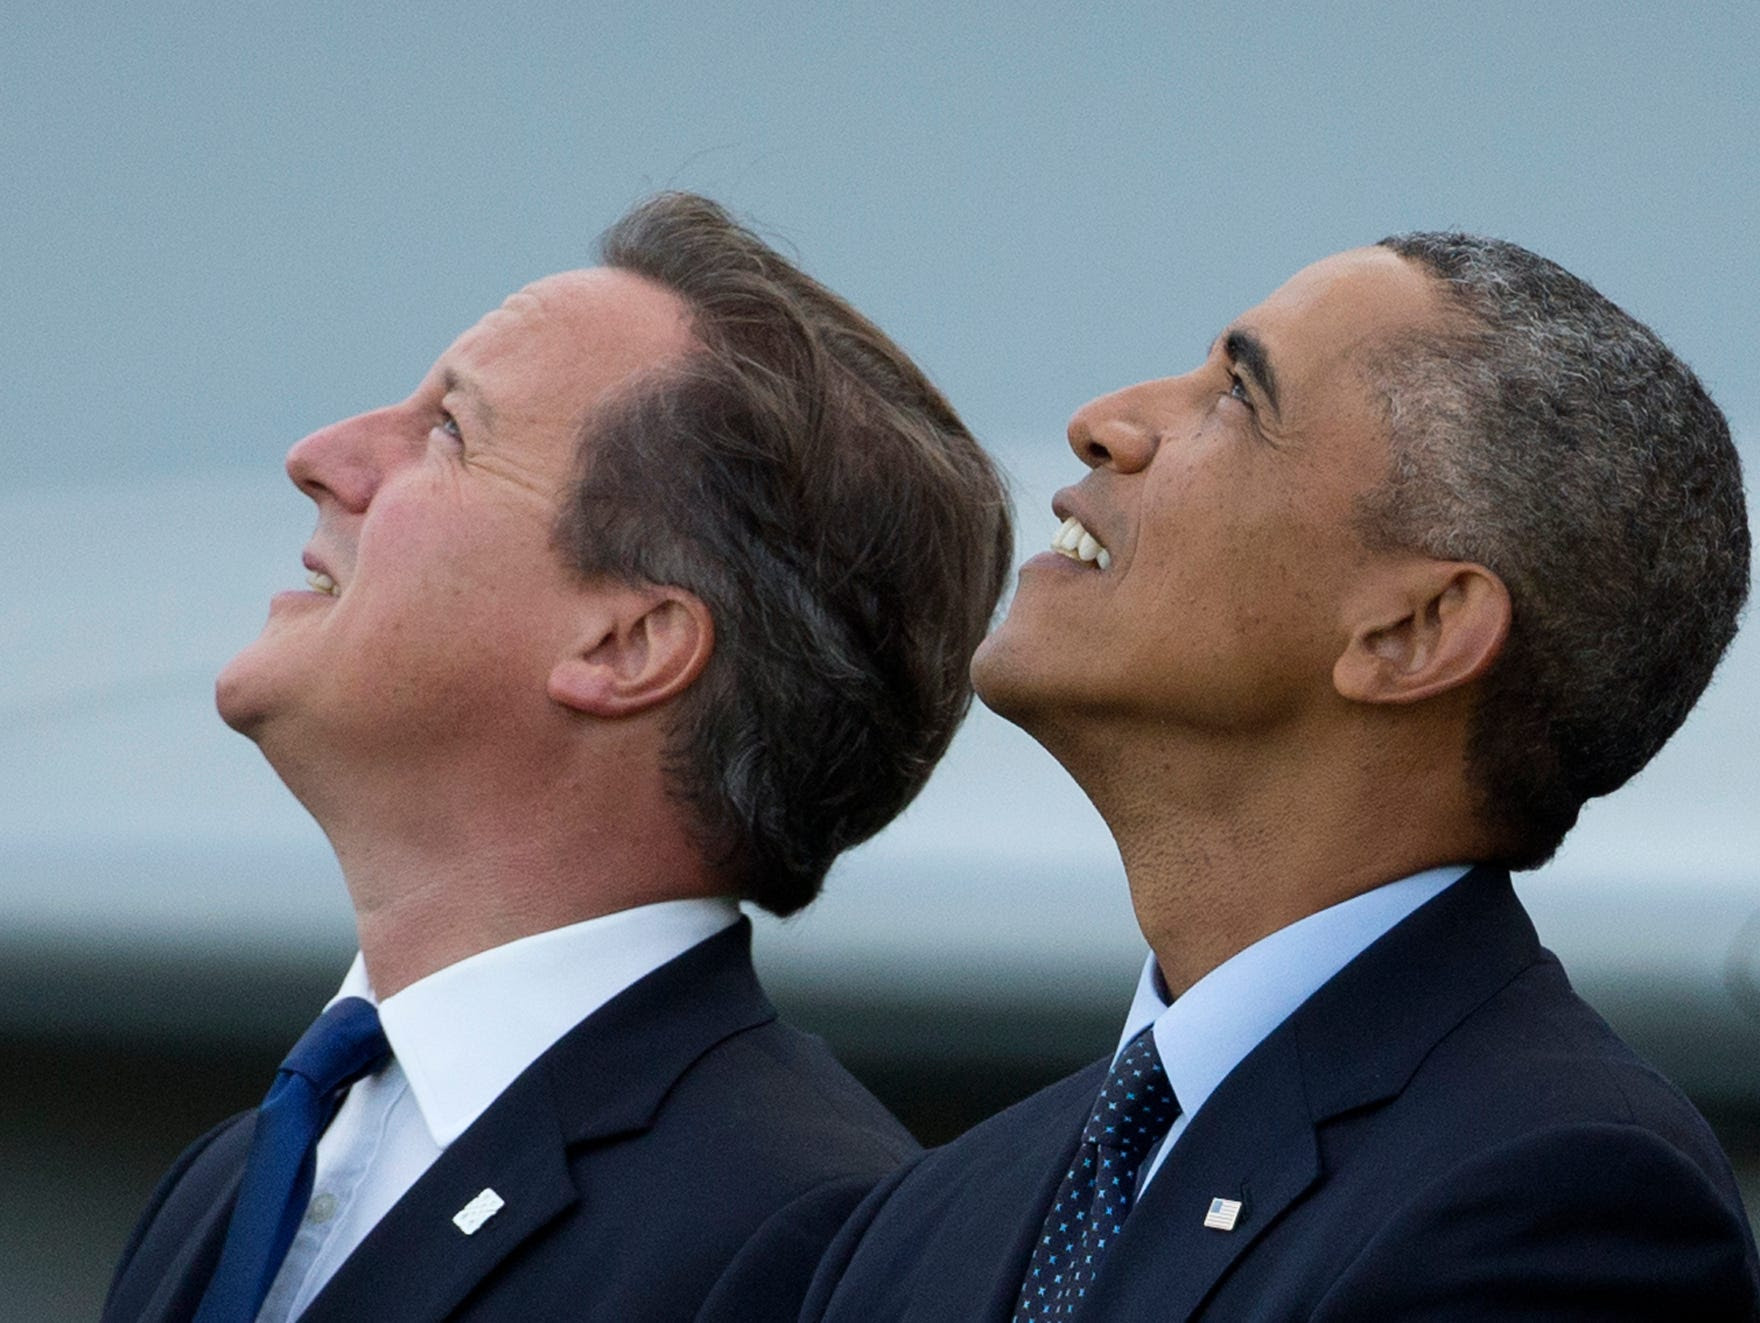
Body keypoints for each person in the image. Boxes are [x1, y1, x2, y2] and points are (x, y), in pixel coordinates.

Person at [802, 234, 1759, 1320]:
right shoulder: (927, 1218)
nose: (1104, 422)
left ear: (1414, 629)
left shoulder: (1560, 1201)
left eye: (1237, 396)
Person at [102, 192, 1012, 1323]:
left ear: (627, 644)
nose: (321, 457)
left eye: (448, 430)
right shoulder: (236, 1180)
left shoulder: (797, 1240)